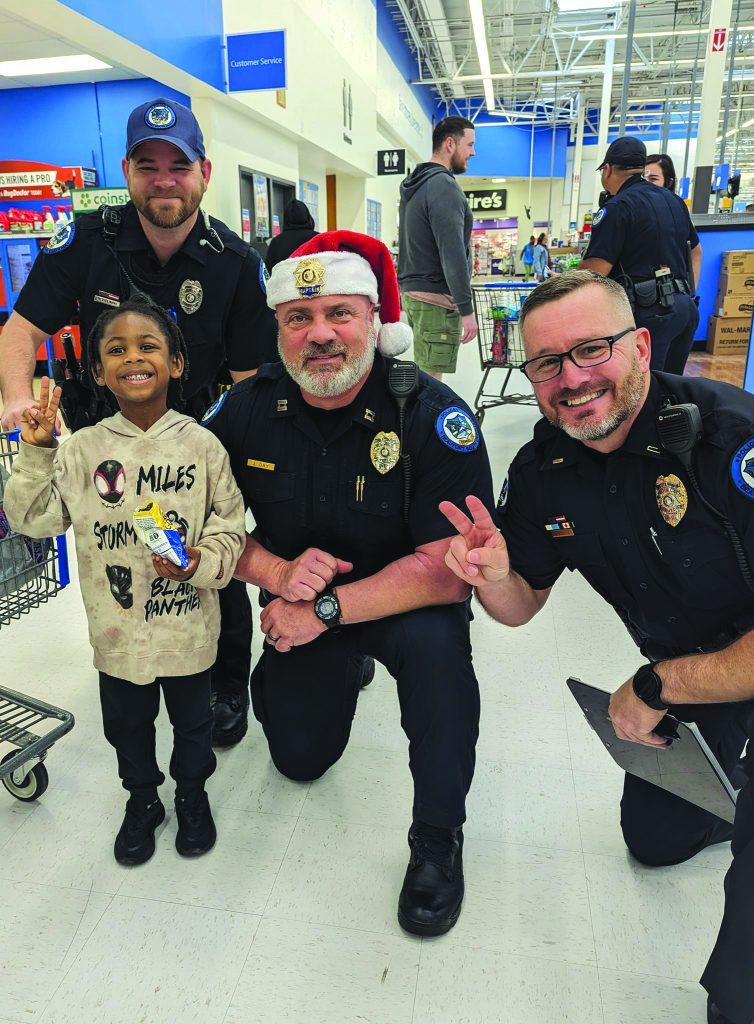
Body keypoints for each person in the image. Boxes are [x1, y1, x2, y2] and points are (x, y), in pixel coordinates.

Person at [441, 269, 754, 1024]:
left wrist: (654, 687)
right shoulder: (547, 468)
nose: (571, 380)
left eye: (591, 350)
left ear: (641, 344)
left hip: (693, 673)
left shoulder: (730, 441)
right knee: (653, 839)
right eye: (546, 362)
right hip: (706, 680)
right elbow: (521, 607)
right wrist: (491, 574)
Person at [203, 230, 494, 937]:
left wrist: (326, 610)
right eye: (298, 318)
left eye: (341, 313)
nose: (320, 335)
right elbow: (182, 521)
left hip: (406, 597)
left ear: (374, 321)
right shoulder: (244, 409)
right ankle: (334, 667)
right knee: (299, 758)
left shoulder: (432, 415)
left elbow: (450, 574)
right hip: (300, 594)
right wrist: (271, 572)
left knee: (439, 663)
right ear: (277, 328)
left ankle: (437, 841)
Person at [0, 97, 278, 747]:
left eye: (177, 165)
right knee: (118, 561)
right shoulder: (86, 243)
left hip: (198, 437)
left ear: (203, 172)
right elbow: (21, 327)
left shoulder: (235, 264)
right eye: (148, 164)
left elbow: (247, 384)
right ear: (126, 170)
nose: (163, 179)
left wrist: (222, 471)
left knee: (210, 563)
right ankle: (137, 667)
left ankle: (223, 681)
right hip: (105, 448)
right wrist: (15, 397)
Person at [4, 297, 245, 866]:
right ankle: (143, 801)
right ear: (96, 370)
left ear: (177, 364)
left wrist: (196, 564)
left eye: (148, 346)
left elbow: (231, 532)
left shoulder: (203, 447)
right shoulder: (82, 449)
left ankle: (191, 795)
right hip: (115, 636)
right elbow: (31, 519)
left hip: (187, 631)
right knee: (127, 728)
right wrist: (37, 452)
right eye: (116, 349)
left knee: (193, 725)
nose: (133, 358)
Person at [581, 135, 702, 376]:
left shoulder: (617, 207)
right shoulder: (675, 201)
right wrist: (685, 292)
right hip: (685, 309)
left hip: (649, 314)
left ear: (607, 169)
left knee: (642, 389)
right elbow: (696, 251)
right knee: (671, 386)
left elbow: (594, 272)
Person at [398, 116, 478, 381]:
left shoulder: (417, 184)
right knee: (431, 381)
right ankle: (421, 423)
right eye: (469, 144)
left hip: (415, 293)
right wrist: (466, 309)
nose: (473, 152)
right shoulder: (443, 186)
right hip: (436, 296)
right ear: (449, 144)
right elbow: (452, 251)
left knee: (425, 373)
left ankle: (416, 421)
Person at [265, 199, 318, 270]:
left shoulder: (277, 242)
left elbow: (268, 272)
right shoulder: (317, 238)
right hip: (315, 280)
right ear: (307, 216)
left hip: (284, 281)